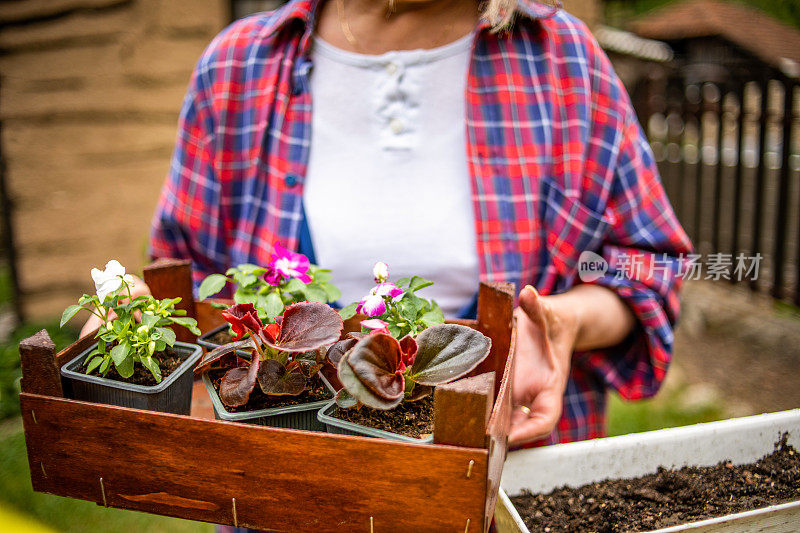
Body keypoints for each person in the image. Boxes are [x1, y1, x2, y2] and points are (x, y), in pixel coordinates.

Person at [141, 0, 692, 448]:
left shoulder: (560, 59)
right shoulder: (241, 66)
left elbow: (648, 268)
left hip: (509, 471)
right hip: (285, 476)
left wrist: (563, 321)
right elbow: (183, 287)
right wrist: (137, 316)